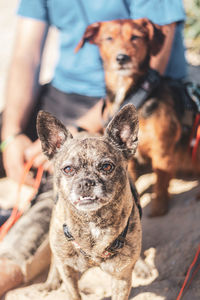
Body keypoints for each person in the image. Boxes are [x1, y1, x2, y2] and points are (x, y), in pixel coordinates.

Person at [0, 0, 187, 297]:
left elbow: (154, 65)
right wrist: (10, 135)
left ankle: (8, 264)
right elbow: (25, 54)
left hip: (137, 96)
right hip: (64, 95)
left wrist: (83, 131)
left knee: (63, 186)